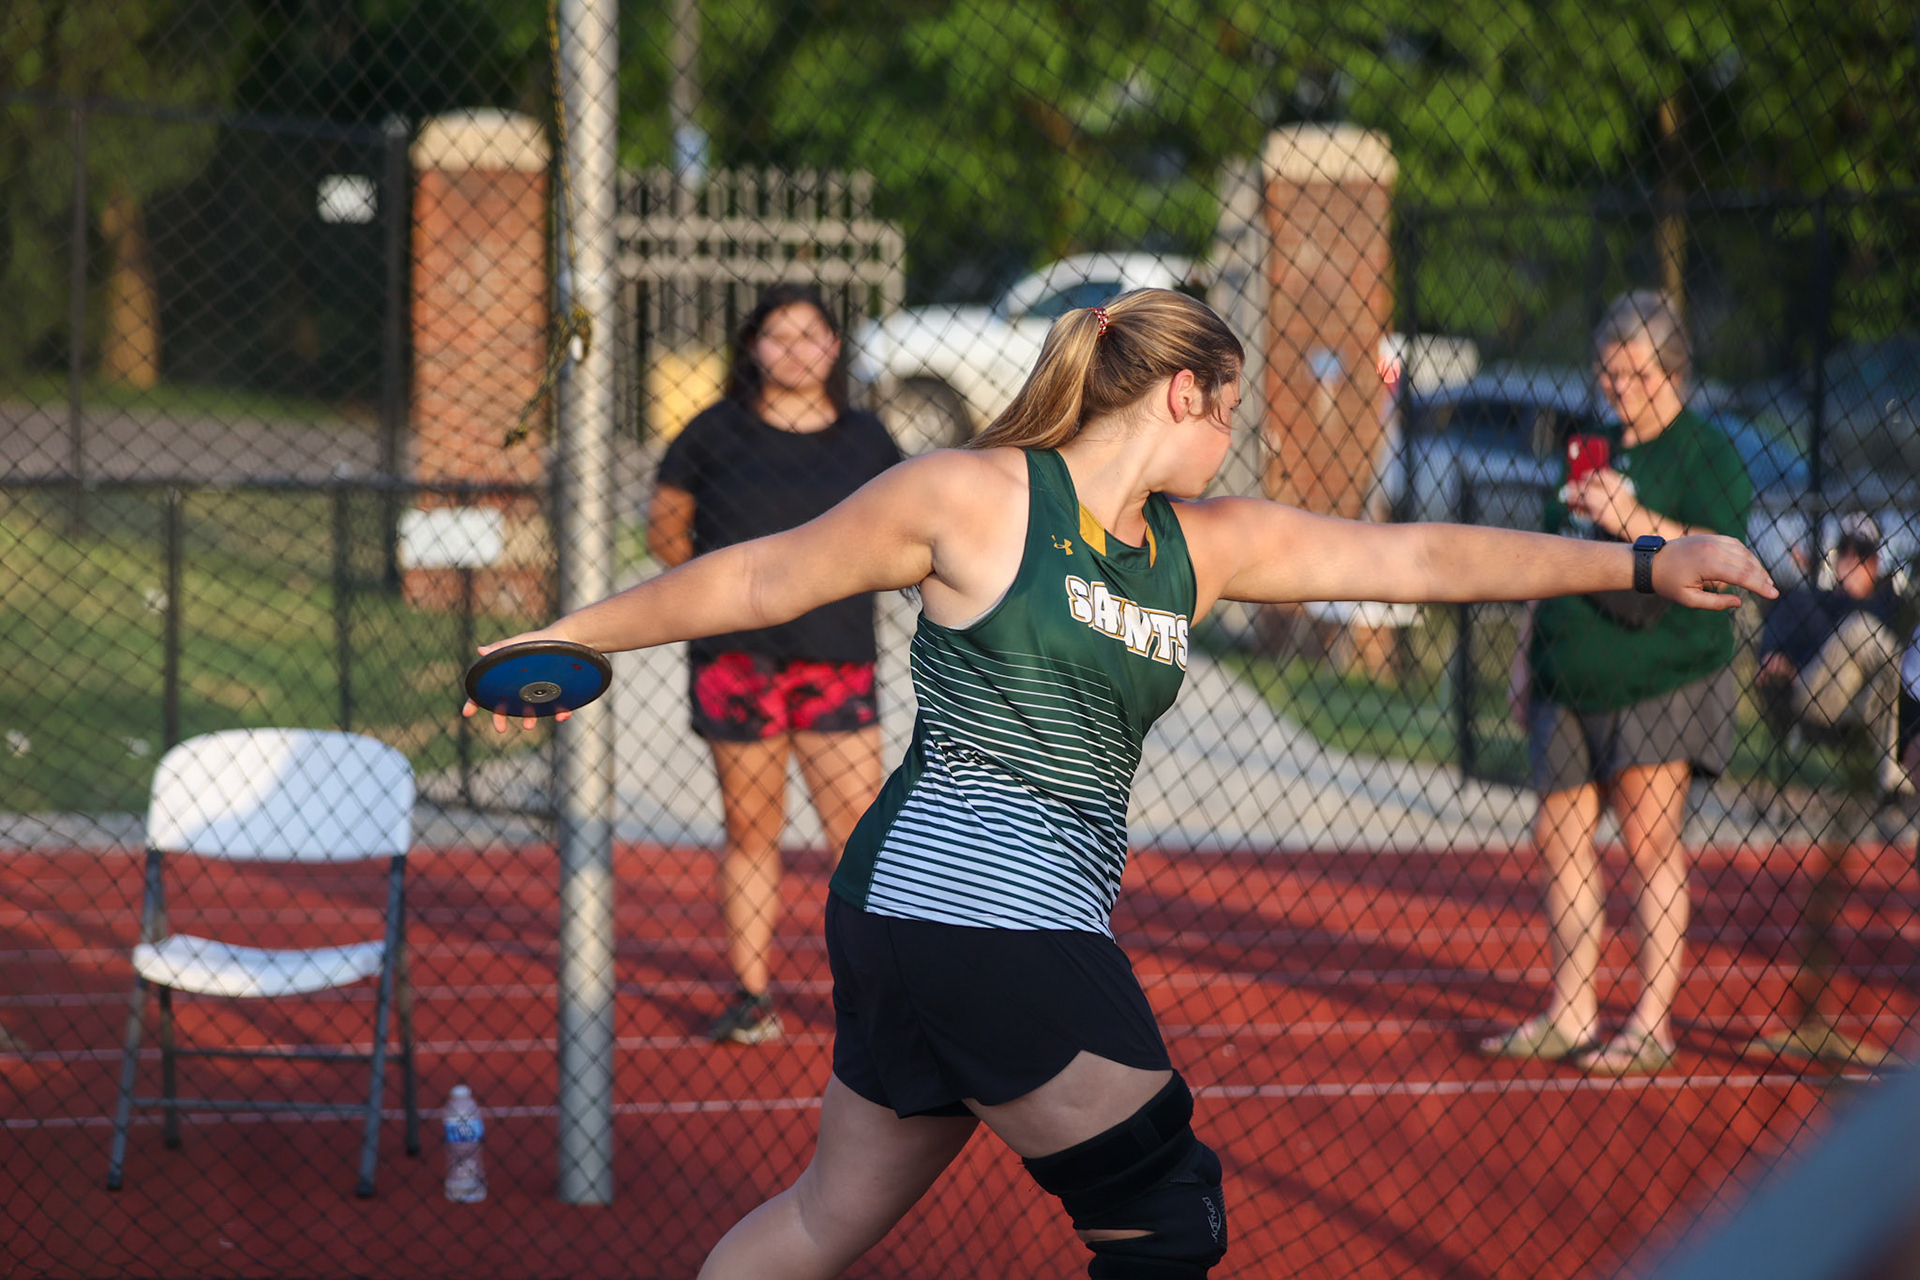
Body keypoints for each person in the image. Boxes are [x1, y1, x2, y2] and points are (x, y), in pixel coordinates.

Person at [467, 288, 1772, 1280]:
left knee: (827, 1217)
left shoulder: (1198, 550)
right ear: (1180, 399)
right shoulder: (977, 497)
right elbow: (755, 579)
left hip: (940, 922)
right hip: (973, 907)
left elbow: (1424, 557)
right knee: (1165, 1207)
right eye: (1232, 409)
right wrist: (570, 636)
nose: (1236, 439)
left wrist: (1649, 566)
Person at [1482, 290, 1755, 1076]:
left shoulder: (1705, 452)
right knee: (1560, 836)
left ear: (1673, 370)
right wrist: (1527, 652)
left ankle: (1650, 1024)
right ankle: (1571, 1009)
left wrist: (1633, 515)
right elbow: (1547, 551)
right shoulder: (1591, 444)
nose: (1616, 386)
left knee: (1648, 842)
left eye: (1633, 372)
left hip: (1659, 676)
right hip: (1570, 669)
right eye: (1607, 370)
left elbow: (1722, 553)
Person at [647, 284, 903, 1044]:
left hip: (837, 659)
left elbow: (899, 537)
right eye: (778, 335)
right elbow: (666, 534)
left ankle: (881, 996)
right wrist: (732, 595)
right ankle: (750, 996)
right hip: (737, 662)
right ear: (752, 347)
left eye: (812, 334)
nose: (795, 348)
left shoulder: (868, 439)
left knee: (861, 835)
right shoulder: (710, 433)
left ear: (835, 347)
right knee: (752, 827)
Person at [1756, 512, 1905, 794]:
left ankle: (1892, 783)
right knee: (1861, 629)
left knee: (1878, 660)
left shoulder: (1887, 604)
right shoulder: (1813, 599)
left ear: (1874, 563)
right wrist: (1775, 659)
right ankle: (1914, 674)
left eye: (1861, 553)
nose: (1851, 559)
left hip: (1862, 701)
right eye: (1845, 550)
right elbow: (1772, 650)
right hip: (1812, 693)